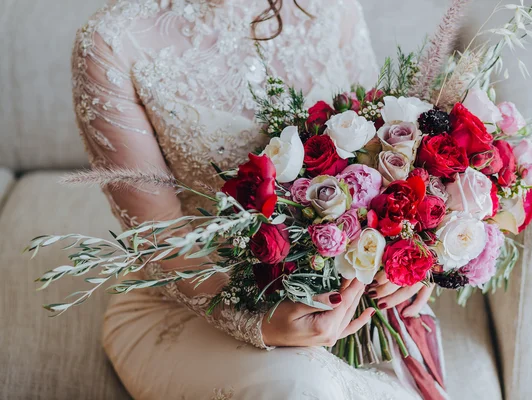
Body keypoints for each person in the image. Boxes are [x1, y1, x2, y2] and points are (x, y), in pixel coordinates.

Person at [72, 0, 445, 398]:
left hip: (350, 302)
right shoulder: (113, 41)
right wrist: (259, 320)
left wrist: (408, 257)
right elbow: (161, 238)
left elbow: (381, 150)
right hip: (188, 303)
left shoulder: (333, 6)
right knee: (303, 386)